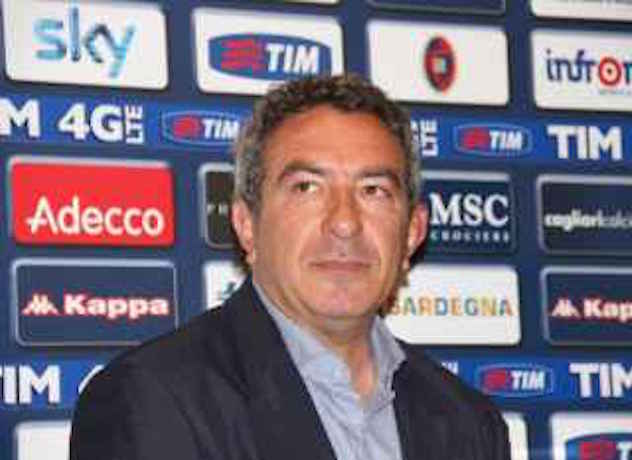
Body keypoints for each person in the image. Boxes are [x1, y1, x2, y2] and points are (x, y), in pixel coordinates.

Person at [70, 74, 510, 460]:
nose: (344, 222)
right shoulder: (150, 400)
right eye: (306, 188)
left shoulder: (470, 422)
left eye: (373, 190)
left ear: (412, 232)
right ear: (247, 225)